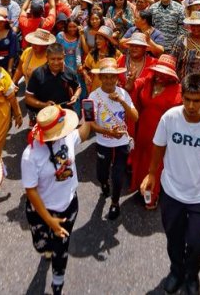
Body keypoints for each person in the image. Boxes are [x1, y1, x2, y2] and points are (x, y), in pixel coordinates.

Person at [141, 73, 200, 295]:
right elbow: (159, 146)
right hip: (172, 191)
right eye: (187, 99)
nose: (190, 106)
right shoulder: (169, 118)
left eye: (196, 101)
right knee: (174, 238)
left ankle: (192, 274)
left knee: (199, 243)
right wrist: (151, 174)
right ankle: (176, 271)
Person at [21, 104, 92, 295]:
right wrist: (49, 220)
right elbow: (31, 191)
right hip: (41, 211)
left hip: (68, 206)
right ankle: (46, 250)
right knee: (41, 245)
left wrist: (89, 116)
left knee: (61, 248)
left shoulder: (66, 137)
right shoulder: (30, 155)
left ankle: (57, 282)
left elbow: (83, 133)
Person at [89, 57, 139, 220]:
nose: (109, 80)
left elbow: (135, 117)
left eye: (113, 76)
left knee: (118, 175)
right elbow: (90, 124)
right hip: (103, 142)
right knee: (101, 173)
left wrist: (122, 101)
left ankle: (115, 203)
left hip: (121, 142)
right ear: (100, 77)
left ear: (118, 77)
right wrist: (108, 132)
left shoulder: (123, 93)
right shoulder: (92, 96)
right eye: (106, 77)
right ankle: (104, 184)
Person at [129, 55, 181, 209]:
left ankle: (150, 197)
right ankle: (140, 186)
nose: (159, 76)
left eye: (164, 74)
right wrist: (131, 82)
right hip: (143, 128)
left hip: (161, 133)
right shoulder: (148, 80)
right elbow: (134, 87)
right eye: (158, 72)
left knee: (155, 165)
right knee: (141, 160)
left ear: (171, 76)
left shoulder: (179, 90)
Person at [25, 43, 82, 121]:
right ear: (47, 58)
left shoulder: (70, 72)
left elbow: (78, 87)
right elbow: (28, 98)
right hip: (45, 117)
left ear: (64, 57)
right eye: (53, 59)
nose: (56, 62)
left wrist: (75, 96)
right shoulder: (38, 73)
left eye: (59, 59)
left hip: (65, 114)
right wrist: (44, 105)